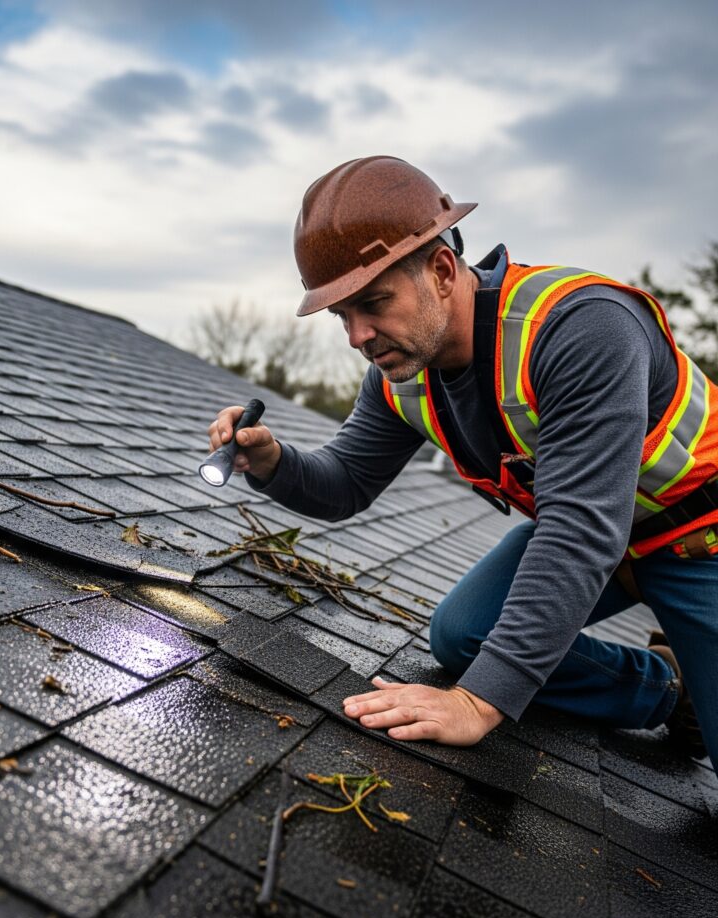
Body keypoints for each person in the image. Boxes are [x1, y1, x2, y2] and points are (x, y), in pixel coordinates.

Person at [207, 155, 718, 766]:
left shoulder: (581, 329)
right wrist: (271, 463)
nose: (358, 337)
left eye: (374, 302)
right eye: (343, 316)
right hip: (614, 537)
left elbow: (580, 529)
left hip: (699, 539)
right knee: (462, 634)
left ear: (443, 271)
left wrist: (477, 703)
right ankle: (663, 689)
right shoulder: (401, 374)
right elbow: (344, 483)